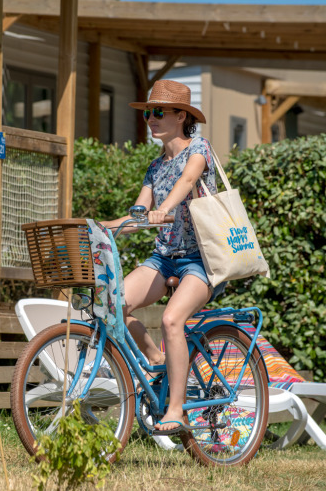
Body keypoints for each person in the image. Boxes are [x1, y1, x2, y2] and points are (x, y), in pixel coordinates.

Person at [101, 79, 226, 434]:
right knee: (112, 305)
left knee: (173, 320)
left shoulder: (198, 148)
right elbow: (139, 213)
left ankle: (176, 409)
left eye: (158, 112)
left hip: (201, 261)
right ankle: (155, 356)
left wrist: (166, 208)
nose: (150, 119)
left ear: (181, 115)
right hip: (164, 258)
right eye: (148, 114)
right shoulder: (155, 167)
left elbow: (187, 181)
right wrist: (101, 226)